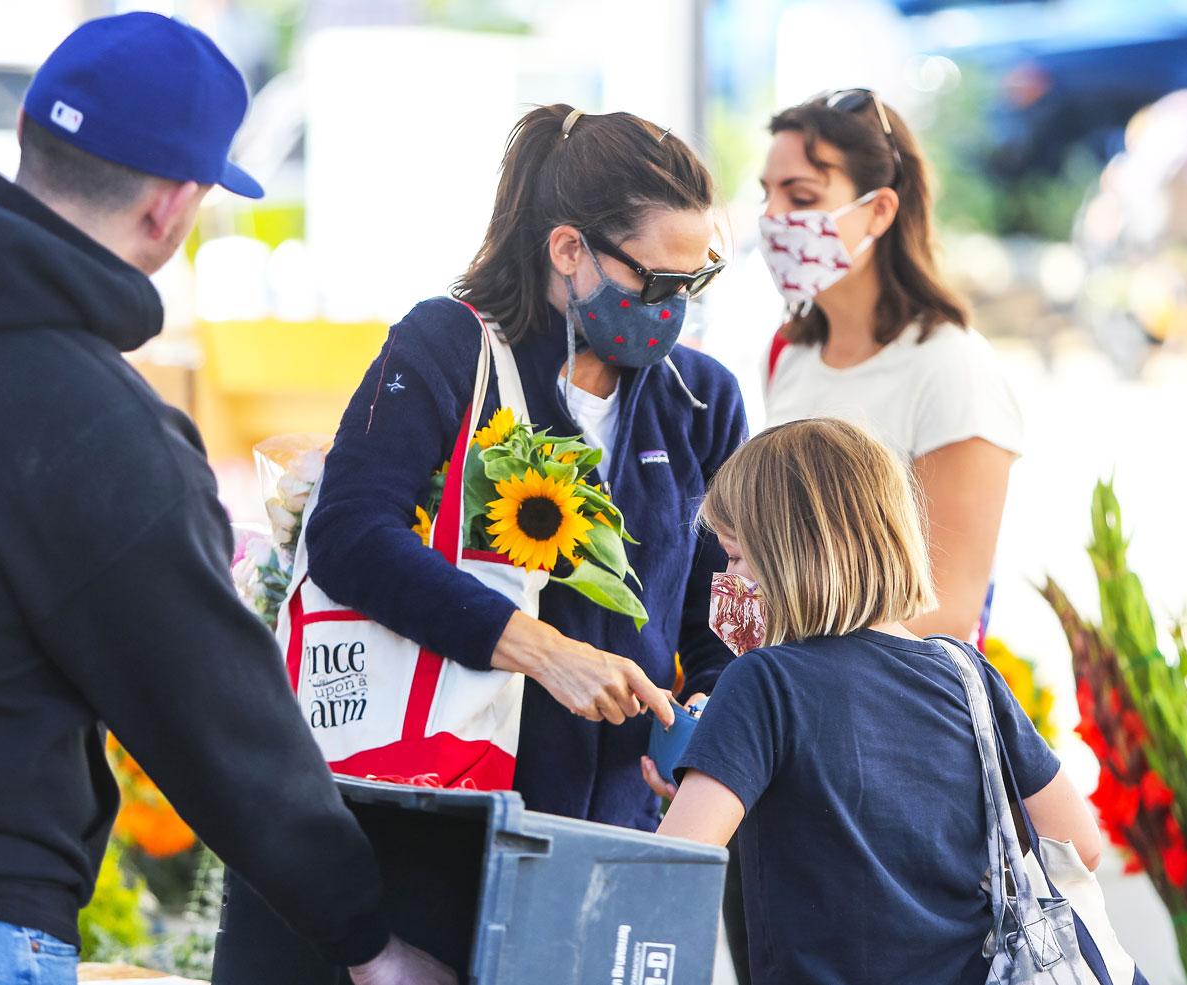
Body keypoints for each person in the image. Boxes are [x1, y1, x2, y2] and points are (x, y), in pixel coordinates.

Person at [0, 14, 451, 985]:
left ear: (25, 128)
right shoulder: (94, 424)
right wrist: (364, 936)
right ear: (173, 207)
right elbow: (211, 712)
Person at [215, 104, 748, 978]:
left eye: (697, 282)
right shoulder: (447, 345)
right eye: (655, 284)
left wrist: (703, 744)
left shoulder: (703, 399)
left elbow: (719, 622)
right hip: (432, 817)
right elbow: (352, 533)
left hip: (603, 853)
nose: (675, 310)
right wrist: (543, 651)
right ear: (568, 249)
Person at [643, 418, 1100, 985]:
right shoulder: (967, 674)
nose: (727, 580)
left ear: (790, 553)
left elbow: (668, 868)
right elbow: (1079, 842)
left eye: (735, 558)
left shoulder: (763, 681)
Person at [758, 89, 1023, 641]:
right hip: (788, 693)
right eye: (767, 194)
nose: (772, 218)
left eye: (800, 196)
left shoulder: (951, 367)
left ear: (879, 210)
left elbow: (947, 611)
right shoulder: (789, 354)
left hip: (892, 707)